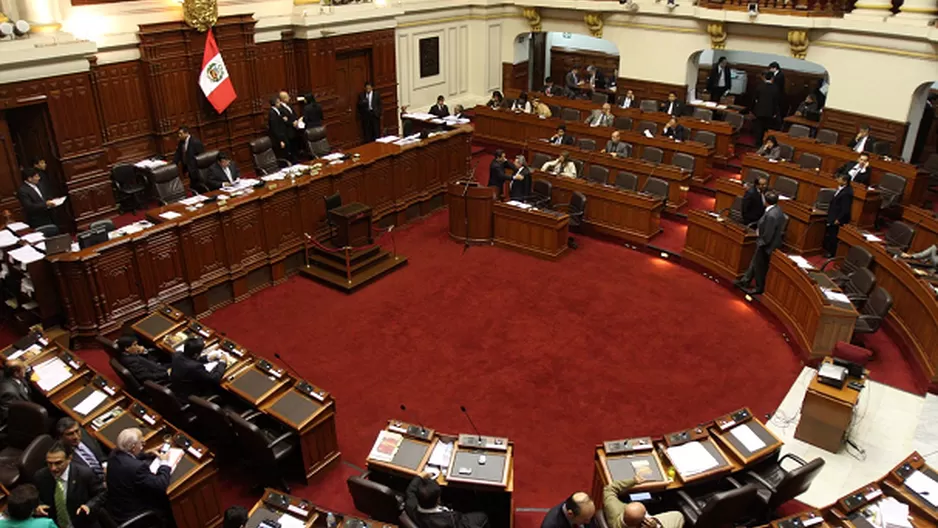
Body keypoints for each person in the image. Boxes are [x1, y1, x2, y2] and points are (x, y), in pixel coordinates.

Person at [106, 428, 172, 525]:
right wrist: (164, 463)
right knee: (166, 501)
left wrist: (146, 453)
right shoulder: (138, 468)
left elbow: (128, 457)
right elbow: (161, 484)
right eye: (141, 443)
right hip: (136, 513)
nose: (143, 445)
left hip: (118, 509)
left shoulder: (114, 455)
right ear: (133, 447)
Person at [34, 442, 106, 528]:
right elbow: (36, 497)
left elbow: (101, 493)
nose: (53, 468)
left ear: (69, 458)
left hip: (83, 524)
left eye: (58, 463)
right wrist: (38, 506)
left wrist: (89, 506)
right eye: (49, 463)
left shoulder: (84, 474)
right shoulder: (40, 476)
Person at [734, 191, 787, 295]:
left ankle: (759, 288)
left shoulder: (771, 215)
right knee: (754, 262)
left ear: (765, 201)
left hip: (767, 245)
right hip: (766, 242)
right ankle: (745, 281)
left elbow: (768, 234)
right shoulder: (776, 209)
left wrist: (760, 243)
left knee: (759, 266)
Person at [404, 473, 488, 528]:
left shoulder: (410, 505)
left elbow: (410, 490)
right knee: (482, 515)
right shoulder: (448, 521)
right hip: (460, 522)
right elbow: (460, 523)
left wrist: (420, 476)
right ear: (438, 500)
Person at [603, 478, 684, 528]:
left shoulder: (614, 509)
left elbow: (608, 489)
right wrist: (656, 526)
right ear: (643, 522)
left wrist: (634, 480)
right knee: (678, 516)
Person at [169, 337, 226, 402]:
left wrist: (208, 358)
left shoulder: (177, 355)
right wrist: (222, 362)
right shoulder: (196, 367)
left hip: (176, 388)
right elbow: (214, 379)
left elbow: (188, 359)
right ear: (196, 355)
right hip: (189, 396)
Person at [823, 173, 853, 258]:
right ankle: (828, 249)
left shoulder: (847, 193)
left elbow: (845, 209)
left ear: (845, 181)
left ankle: (832, 253)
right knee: (830, 233)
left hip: (838, 218)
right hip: (834, 214)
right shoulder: (842, 189)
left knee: (834, 235)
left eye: (839, 178)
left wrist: (839, 219)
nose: (837, 180)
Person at [0, 359, 33, 423]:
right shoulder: (9, 392)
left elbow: (23, 380)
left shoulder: (12, 375)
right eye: (23, 369)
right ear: (16, 374)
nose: (25, 369)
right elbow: (7, 415)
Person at [752, 71, 780, 145]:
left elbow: (755, 99)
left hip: (759, 111)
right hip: (769, 112)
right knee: (767, 128)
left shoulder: (760, 86)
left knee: (758, 127)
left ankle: (758, 142)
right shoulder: (775, 88)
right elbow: (776, 102)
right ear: (772, 78)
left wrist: (754, 110)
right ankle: (765, 143)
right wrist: (775, 113)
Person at [268, 97, 293, 162]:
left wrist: (283, 118)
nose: (280, 104)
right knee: (282, 155)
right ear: (275, 103)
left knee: (287, 152)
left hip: (283, 134)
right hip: (279, 138)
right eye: (279, 102)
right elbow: (275, 128)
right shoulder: (272, 113)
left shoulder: (277, 111)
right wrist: (280, 140)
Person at [913, 94, 936, 163]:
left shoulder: (922, 106)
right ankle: (914, 161)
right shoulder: (928, 109)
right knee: (918, 146)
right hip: (922, 131)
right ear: (933, 100)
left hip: (916, 130)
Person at [277, 91, 300, 160]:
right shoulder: (280, 108)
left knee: (295, 146)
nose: (289, 98)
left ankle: (296, 158)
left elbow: (294, 114)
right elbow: (284, 120)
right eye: (287, 97)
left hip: (294, 129)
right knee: (291, 148)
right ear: (283, 99)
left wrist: (296, 120)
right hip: (288, 131)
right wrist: (292, 123)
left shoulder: (289, 105)